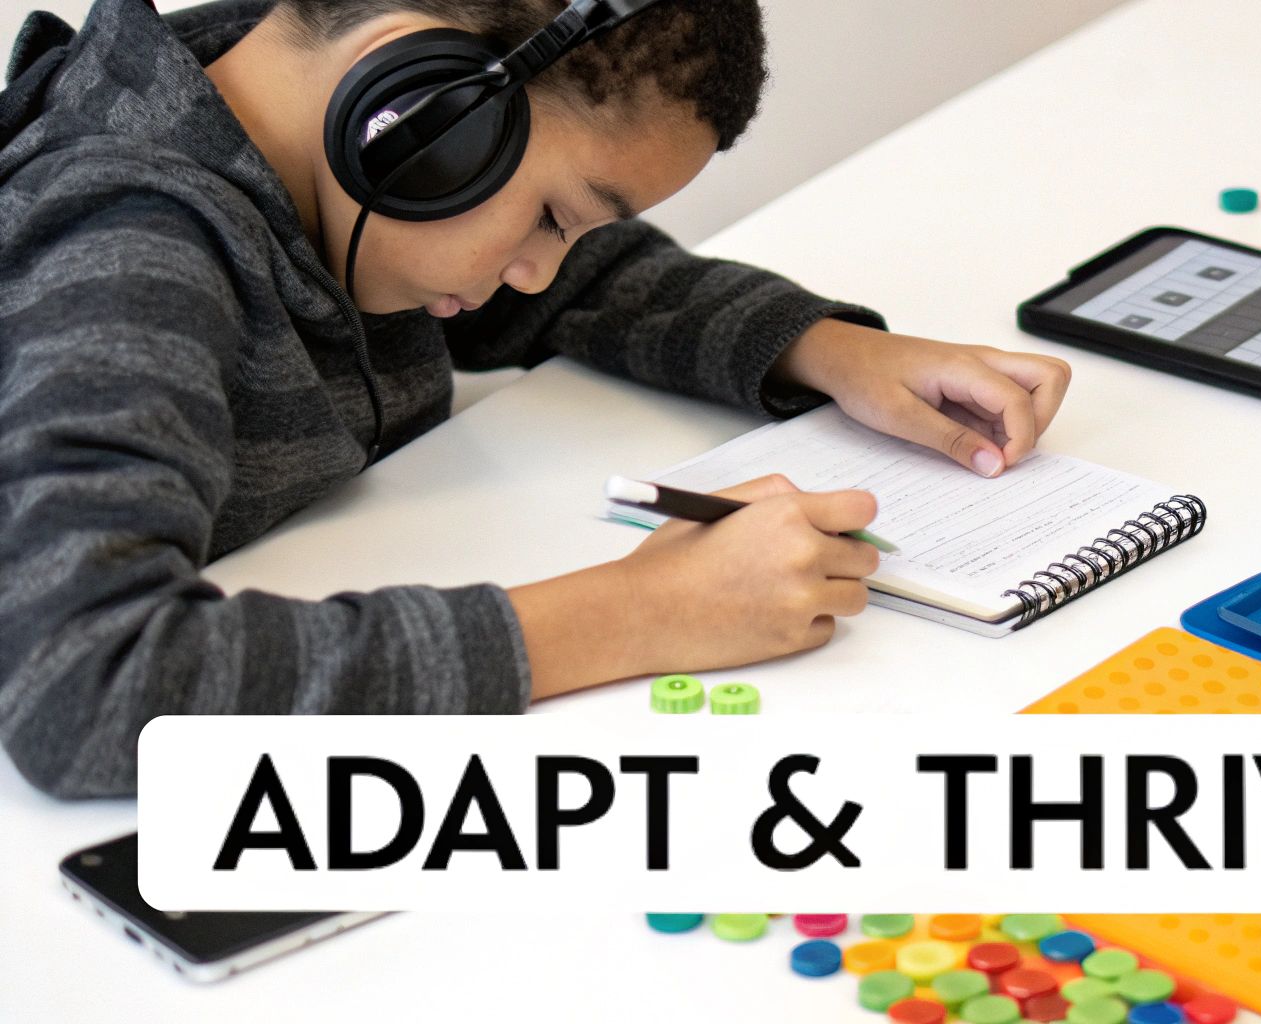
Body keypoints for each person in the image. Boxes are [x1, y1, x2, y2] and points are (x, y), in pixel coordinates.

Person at [0, 0, 1072, 798]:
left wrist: (820, 349)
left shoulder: (304, 135)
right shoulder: (132, 249)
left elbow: (562, 291)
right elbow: (82, 685)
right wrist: (636, 614)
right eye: (555, 214)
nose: (536, 270)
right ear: (413, 117)